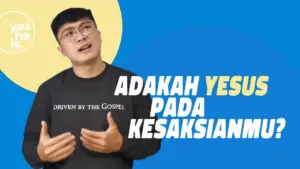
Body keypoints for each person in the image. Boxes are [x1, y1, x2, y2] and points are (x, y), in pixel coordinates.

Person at [22, 7, 161, 169]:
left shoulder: (131, 82)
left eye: (86, 27)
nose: (81, 36)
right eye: (69, 33)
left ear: (99, 35)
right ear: (61, 50)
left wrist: (121, 143)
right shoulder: (48, 90)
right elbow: (29, 145)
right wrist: (41, 154)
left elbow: (153, 142)